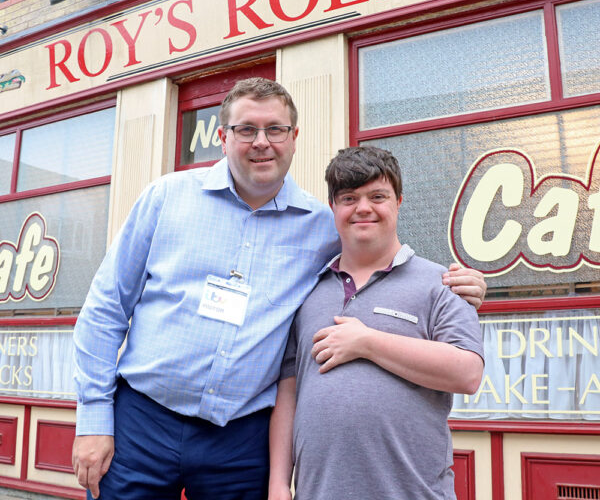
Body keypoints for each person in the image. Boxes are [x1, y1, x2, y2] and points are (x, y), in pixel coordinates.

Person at [72, 78, 486, 500]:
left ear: (293, 137)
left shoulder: (321, 225)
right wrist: (92, 420)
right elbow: (106, 309)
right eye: (246, 129)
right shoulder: (166, 197)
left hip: (242, 439)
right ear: (222, 137)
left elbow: (375, 238)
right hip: (142, 422)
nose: (261, 142)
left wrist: (463, 281)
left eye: (275, 129)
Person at [268, 146, 485, 500]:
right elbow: (289, 390)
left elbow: (467, 373)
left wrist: (367, 342)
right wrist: (279, 483)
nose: (363, 208)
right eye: (349, 198)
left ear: (398, 201)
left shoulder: (443, 283)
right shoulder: (308, 289)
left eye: (377, 196)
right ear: (333, 208)